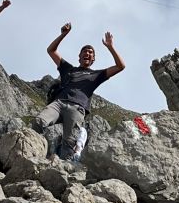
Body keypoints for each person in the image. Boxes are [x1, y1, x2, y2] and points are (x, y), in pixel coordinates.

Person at [33, 22, 126, 159]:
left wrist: (111, 47)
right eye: (85, 51)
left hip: (77, 108)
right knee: (39, 121)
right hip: (58, 103)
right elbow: (51, 51)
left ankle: (64, 170)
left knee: (69, 143)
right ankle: (31, 152)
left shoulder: (96, 75)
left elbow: (120, 66)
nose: (87, 53)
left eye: (90, 53)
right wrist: (63, 35)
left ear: (93, 59)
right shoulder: (67, 69)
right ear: (80, 56)